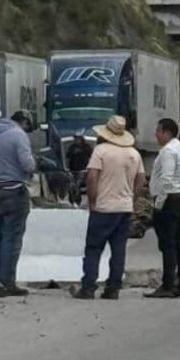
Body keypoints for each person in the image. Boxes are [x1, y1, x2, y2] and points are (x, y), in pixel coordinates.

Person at [70, 116, 144, 300]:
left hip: (103, 207)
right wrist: (132, 199)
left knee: (94, 248)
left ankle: (88, 287)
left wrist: (92, 200)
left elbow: (92, 177)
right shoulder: (134, 154)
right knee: (118, 249)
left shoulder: (101, 151)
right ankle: (113, 288)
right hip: (124, 208)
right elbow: (141, 180)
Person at [0, 111, 36, 296]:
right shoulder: (18, 135)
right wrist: (34, 163)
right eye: (28, 127)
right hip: (14, 190)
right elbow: (27, 165)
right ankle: (7, 283)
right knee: (12, 238)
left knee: (0, 236)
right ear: (24, 122)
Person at [146, 118, 180, 298]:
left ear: (166, 132)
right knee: (179, 243)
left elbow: (166, 180)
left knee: (167, 244)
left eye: (158, 131)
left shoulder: (168, 151)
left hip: (169, 199)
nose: (156, 135)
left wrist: (158, 204)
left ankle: (168, 285)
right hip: (179, 197)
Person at [66, 134, 93, 205]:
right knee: (73, 184)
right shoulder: (72, 147)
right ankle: (73, 199)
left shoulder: (86, 147)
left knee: (78, 183)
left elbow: (91, 154)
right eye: (75, 139)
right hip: (73, 169)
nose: (76, 140)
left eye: (78, 139)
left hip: (83, 169)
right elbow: (68, 156)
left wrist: (81, 152)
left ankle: (79, 199)